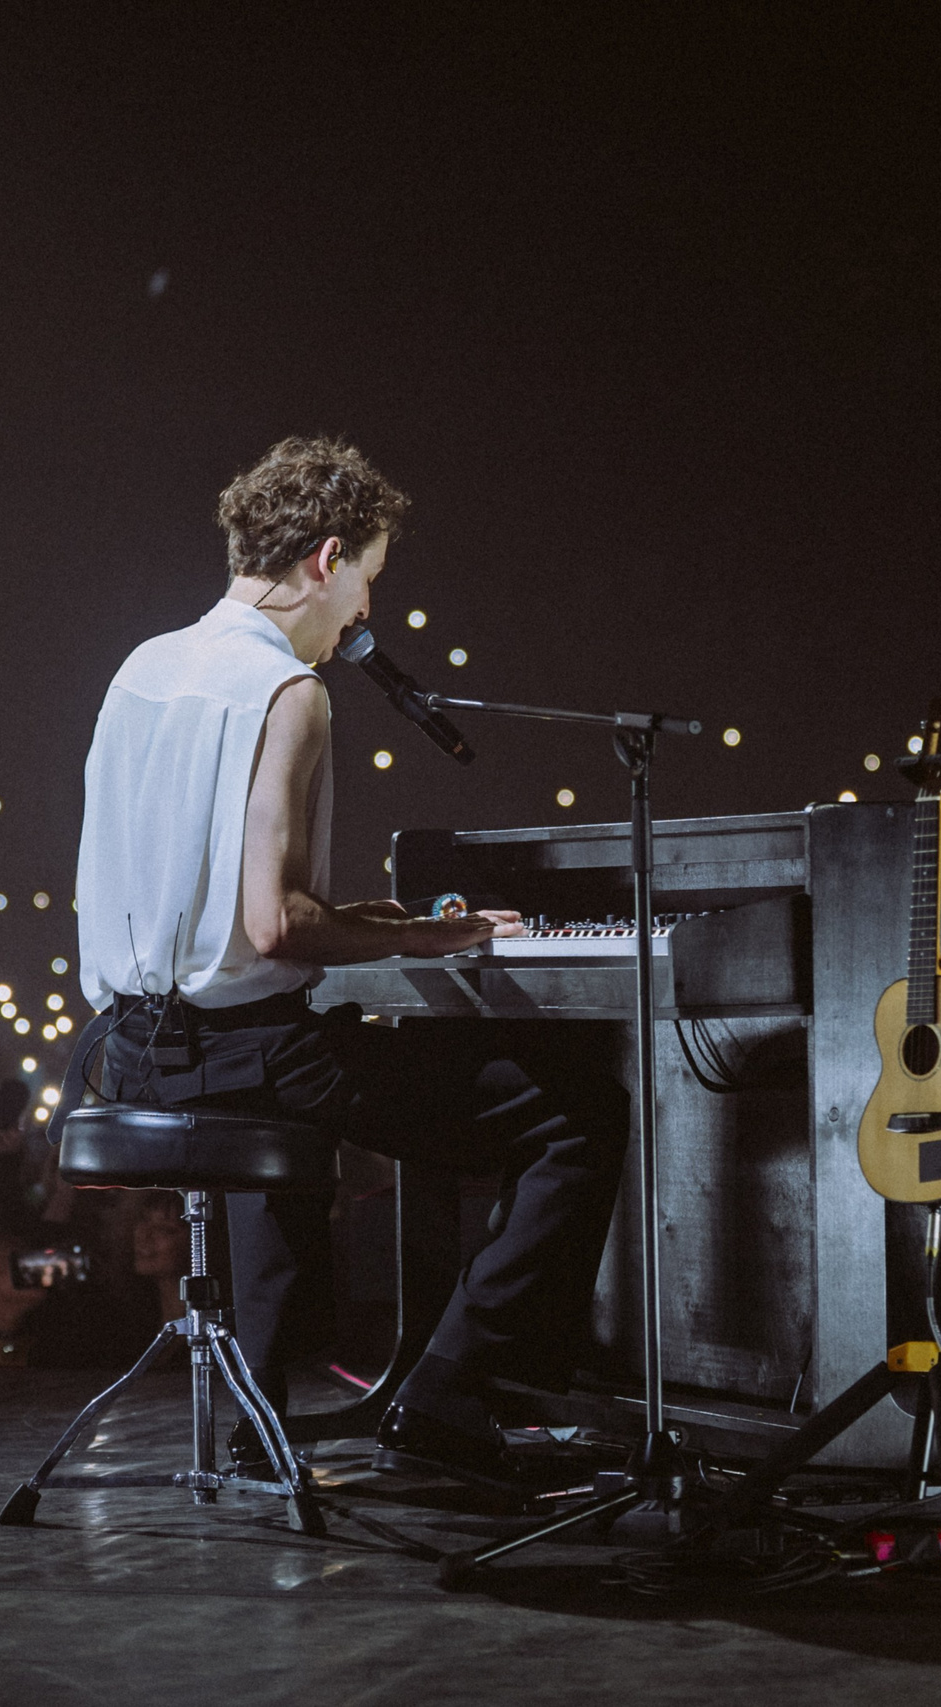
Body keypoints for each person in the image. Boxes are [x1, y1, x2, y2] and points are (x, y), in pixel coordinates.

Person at [68, 436, 628, 1492]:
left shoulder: (141, 668)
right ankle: (451, 1393)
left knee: (295, 1091)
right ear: (327, 559)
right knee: (575, 1117)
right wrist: (420, 937)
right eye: (369, 578)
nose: (365, 612)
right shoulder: (289, 691)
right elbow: (277, 929)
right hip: (240, 1053)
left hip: (125, 1051)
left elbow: (204, 900)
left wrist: (360, 919)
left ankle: (257, 1423)